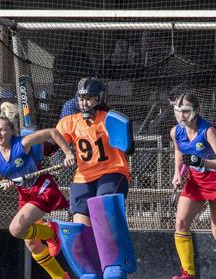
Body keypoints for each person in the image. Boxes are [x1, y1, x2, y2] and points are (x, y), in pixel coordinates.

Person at [55, 77, 134, 278]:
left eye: (89, 98)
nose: (84, 102)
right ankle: (90, 270)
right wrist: (62, 152)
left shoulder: (108, 118)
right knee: (80, 226)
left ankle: (115, 265)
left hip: (112, 171)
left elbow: (128, 147)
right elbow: (51, 144)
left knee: (102, 208)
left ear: (99, 99)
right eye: (82, 98)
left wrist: (126, 141)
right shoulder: (69, 122)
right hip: (83, 176)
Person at [0, 102, 76, 279]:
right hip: (25, 194)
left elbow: (52, 132)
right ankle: (60, 277)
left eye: (2, 130)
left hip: (42, 188)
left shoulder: (23, 143)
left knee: (16, 229)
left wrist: (68, 154)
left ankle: (51, 232)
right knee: (32, 243)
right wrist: (1, 183)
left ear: (11, 131)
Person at [170, 92, 216, 279]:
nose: (181, 116)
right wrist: (177, 172)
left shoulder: (208, 131)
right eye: (178, 111)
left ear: (196, 110)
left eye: (185, 111)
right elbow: (179, 150)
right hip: (195, 183)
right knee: (181, 222)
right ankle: (188, 273)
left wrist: (202, 162)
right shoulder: (175, 131)